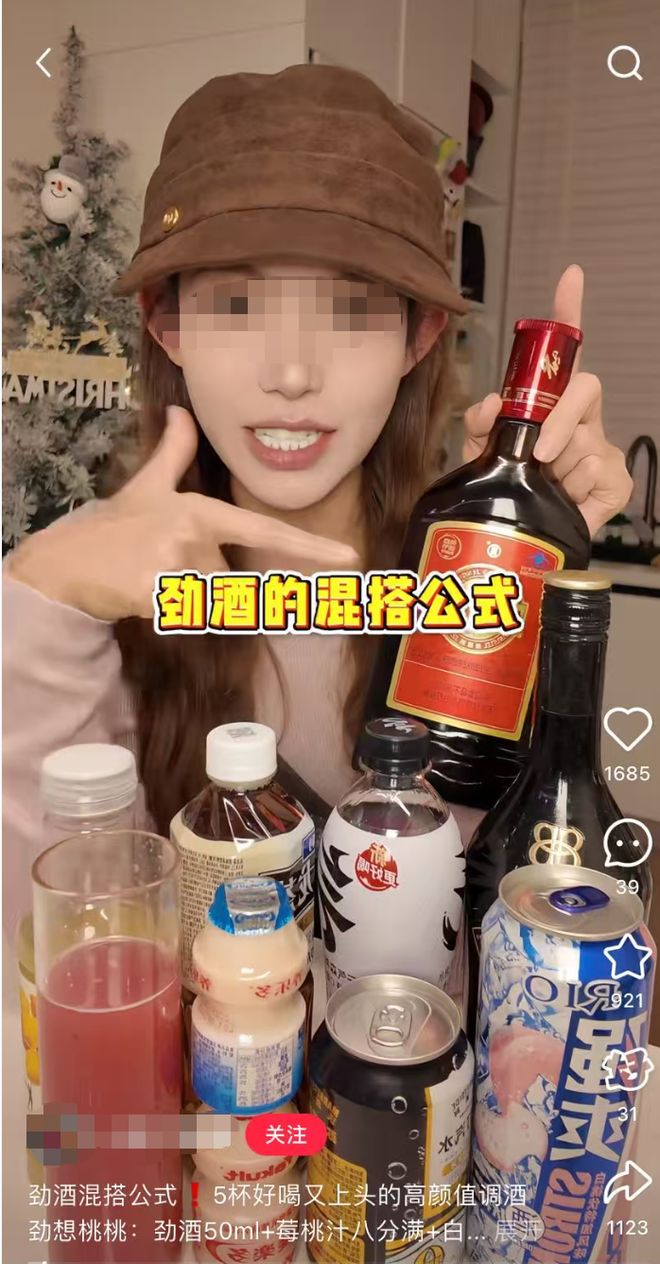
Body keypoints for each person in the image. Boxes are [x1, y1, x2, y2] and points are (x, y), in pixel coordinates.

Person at [3, 64, 631, 940]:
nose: (292, 374)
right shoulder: (91, 583)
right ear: (166, 324)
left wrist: (514, 589)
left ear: (418, 338)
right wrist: (42, 593)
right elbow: (51, 946)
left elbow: (499, 938)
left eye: (349, 309)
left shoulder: (465, 573)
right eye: (236, 303)